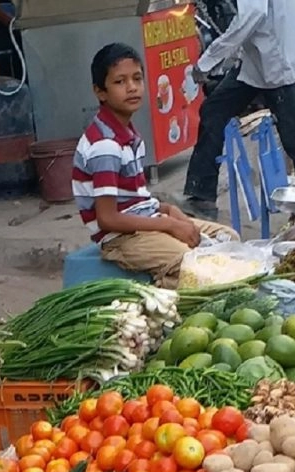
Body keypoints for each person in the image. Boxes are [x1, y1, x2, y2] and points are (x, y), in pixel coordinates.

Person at [74, 43, 240, 289]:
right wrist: (168, 224)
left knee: (229, 239)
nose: (131, 87)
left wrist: (169, 210)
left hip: (146, 220)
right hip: (121, 238)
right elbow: (108, 219)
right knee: (191, 263)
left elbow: (133, 199)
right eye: (119, 82)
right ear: (100, 92)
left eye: (137, 78)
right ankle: (166, 306)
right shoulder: (105, 146)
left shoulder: (127, 133)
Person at [183, 0, 295, 220]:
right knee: (213, 111)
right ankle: (201, 195)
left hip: (279, 62)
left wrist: (208, 60)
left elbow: (252, 14)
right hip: (255, 63)